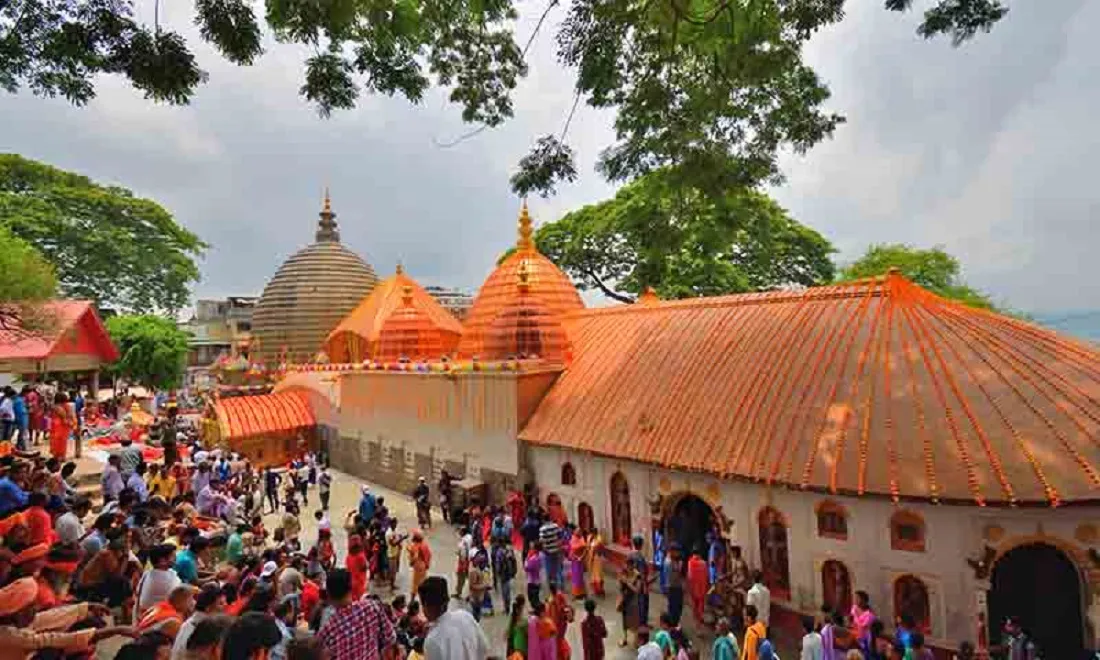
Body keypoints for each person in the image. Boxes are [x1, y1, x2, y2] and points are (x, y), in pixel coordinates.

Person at [317, 568, 399, 660]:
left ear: (328, 594)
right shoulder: (372, 607)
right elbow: (391, 638)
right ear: (351, 588)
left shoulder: (328, 630)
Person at [415, 575, 488, 659]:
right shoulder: (465, 616)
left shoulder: (432, 641)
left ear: (427, 606)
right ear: (447, 600)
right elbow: (484, 648)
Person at [171, 584, 225, 659]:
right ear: (208, 608)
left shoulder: (192, 622)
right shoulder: (201, 628)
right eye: (221, 604)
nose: (225, 606)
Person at [136, 543, 183, 621]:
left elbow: (138, 593)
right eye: (173, 556)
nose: (175, 558)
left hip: (145, 614)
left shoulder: (148, 573)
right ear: (162, 561)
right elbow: (180, 596)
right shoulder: (167, 578)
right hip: (158, 617)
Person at [407, 528, 431, 601]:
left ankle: (412, 599)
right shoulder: (424, 545)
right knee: (422, 581)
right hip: (423, 565)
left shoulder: (416, 546)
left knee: (415, 584)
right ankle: (423, 599)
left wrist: (411, 562)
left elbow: (415, 556)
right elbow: (429, 554)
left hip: (418, 565)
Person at [686, 550, 708, 625]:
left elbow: (689, 576)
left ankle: (696, 620)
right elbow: (706, 576)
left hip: (693, 587)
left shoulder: (690, 562)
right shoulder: (704, 563)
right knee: (700, 605)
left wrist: (689, 586)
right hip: (702, 588)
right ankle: (699, 620)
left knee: (694, 605)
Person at [568, 527, 588, 599]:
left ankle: (582, 592)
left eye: (579, 531)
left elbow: (585, 549)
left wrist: (582, 557)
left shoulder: (581, 539)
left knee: (580, 577)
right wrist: (577, 557)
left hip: (580, 560)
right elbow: (571, 550)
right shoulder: (573, 539)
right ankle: (577, 593)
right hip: (575, 560)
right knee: (576, 577)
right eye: (577, 531)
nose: (578, 532)